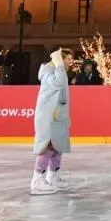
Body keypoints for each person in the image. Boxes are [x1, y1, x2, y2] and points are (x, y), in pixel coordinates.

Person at [31, 48, 74, 195]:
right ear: (59, 60)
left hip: (57, 117)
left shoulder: (56, 71)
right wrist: (59, 65)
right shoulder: (49, 73)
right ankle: (37, 180)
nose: (71, 62)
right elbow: (59, 83)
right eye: (67, 59)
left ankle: (53, 176)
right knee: (47, 146)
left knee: (58, 147)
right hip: (48, 117)